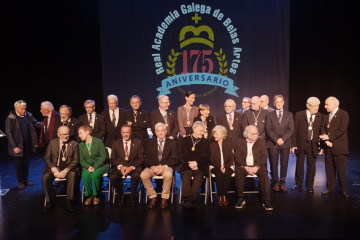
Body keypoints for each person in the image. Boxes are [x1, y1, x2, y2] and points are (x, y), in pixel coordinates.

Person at [234, 125, 273, 211]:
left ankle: (266, 200)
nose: (257, 135)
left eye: (257, 133)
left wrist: (257, 167)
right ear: (247, 135)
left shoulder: (261, 141)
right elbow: (237, 157)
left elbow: (264, 157)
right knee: (238, 172)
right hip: (244, 166)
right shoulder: (239, 142)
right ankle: (241, 198)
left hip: (257, 166)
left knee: (264, 174)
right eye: (254, 134)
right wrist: (245, 166)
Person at [42, 126, 80, 212]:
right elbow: (47, 158)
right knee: (45, 177)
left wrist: (66, 170)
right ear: (58, 135)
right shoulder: (52, 143)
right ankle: (49, 201)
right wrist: (54, 169)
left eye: (67, 134)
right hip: (54, 168)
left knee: (73, 175)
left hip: (68, 168)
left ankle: (70, 201)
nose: (66, 136)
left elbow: (76, 160)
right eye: (63, 134)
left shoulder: (74, 144)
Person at [5, 100, 41, 190]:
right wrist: (14, 146)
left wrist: (45, 124)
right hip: (17, 145)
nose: (24, 110)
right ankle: (20, 182)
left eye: (25, 108)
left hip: (27, 143)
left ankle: (25, 180)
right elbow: (9, 133)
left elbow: (35, 123)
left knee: (26, 163)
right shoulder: (11, 118)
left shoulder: (28, 115)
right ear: (16, 108)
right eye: (22, 109)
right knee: (19, 164)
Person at [141, 123, 177, 208]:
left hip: (166, 166)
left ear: (166, 131)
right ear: (155, 132)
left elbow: (175, 158)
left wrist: (164, 166)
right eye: (158, 131)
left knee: (168, 174)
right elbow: (145, 157)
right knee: (143, 175)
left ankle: (164, 198)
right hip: (152, 166)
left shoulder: (172, 143)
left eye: (162, 130)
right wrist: (152, 167)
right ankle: (153, 197)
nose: (160, 133)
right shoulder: (149, 142)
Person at [319, 96, 349, 198]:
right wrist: (327, 141)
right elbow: (322, 128)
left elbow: (342, 130)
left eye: (327, 104)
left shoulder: (343, 114)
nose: (325, 106)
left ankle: (343, 190)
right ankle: (330, 188)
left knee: (341, 171)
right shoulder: (326, 116)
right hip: (328, 147)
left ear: (334, 104)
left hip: (339, 147)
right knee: (329, 169)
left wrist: (330, 138)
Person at [291, 97, 323, 193]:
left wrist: (321, 146)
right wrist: (294, 144)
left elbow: (322, 131)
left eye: (318, 106)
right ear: (308, 106)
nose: (316, 108)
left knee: (311, 166)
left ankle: (310, 186)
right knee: (299, 164)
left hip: (313, 144)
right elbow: (294, 130)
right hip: (301, 143)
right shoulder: (299, 115)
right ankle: (298, 184)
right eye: (314, 106)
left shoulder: (320, 116)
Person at [266, 94, 294, 193]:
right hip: (273, 143)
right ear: (274, 103)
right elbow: (268, 129)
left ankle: (282, 183)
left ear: (283, 102)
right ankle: (276, 183)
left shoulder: (289, 114)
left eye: (280, 102)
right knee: (273, 164)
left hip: (285, 143)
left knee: (284, 164)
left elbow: (291, 130)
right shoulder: (269, 115)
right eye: (276, 102)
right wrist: (276, 139)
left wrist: (283, 139)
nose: (279, 104)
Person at [110, 125, 144, 207]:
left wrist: (131, 167)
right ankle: (121, 195)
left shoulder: (138, 142)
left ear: (131, 133)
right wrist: (121, 167)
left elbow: (141, 158)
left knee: (136, 176)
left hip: (133, 166)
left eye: (127, 132)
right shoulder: (115, 142)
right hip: (120, 166)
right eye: (124, 132)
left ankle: (132, 197)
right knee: (113, 177)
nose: (126, 134)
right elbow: (113, 159)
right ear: (121, 133)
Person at [178, 121, 209, 208]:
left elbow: (206, 156)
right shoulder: (185, 140)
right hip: (187, 164)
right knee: (186, 174)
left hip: (200, 165)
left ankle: (190, 200)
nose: (202, 133)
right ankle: (188, 199)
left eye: (203, 131)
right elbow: (181, 155)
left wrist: (196, 163)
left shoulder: (205, 142)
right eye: (200, 131)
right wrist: (190, 164)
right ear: (194, 129)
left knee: (199, 176)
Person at [78, 125, 109, 206]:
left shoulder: (98, 142)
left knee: (95, 174)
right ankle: (88, 195)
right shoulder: (80, 145)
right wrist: (88, 167)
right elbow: (81, 160)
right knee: (85, 175)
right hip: (88, 166)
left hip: (100, 165)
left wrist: (95, 167)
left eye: (81, 133)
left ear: (88, 132)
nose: (79, 135)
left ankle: (96, 195)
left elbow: (103, 157)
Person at [209, 125, 234, 207]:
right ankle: (220, 196)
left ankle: (224, 196)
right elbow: (211, 160)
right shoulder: (212, 145)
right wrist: (219, 166)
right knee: (219, 174)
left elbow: (231, 159)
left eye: (216, 134)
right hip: (215, 166)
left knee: (227, 174)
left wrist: (225, 166)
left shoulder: (228, 144)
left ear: (222, 135)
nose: (214, 136)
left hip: (226, 166)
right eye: (214, 134)